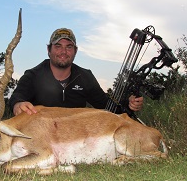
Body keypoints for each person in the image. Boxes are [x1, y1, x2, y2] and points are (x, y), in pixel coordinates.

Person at [8, 28, 143, 116]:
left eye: (69, 47)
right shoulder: (33, 75)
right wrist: (18, 104)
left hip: (74, 133)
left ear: (75, 51)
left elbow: (109, 108)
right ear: (49, 50)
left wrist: (129, 104)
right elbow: (16, 97)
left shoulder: (85, 76)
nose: (63, 52)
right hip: (42, 133)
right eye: (58, 46)